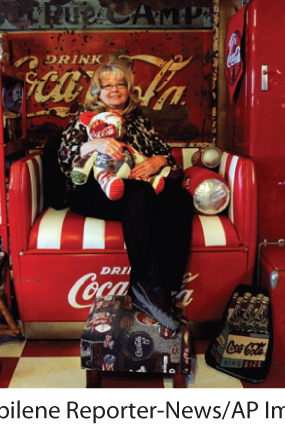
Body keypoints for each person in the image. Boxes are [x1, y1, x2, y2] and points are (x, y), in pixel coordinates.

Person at [58, 58, 194, 331]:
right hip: (93, 190)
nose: (114, 90)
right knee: (142, 195)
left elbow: (167, 156)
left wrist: (157, 162)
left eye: (120, 84)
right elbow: (65, 159)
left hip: (137, 185)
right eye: (107, 85)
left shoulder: (140, 121)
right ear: (97, 92)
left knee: (179, 199)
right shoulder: (85, 121)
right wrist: (94, 143)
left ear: (129, 89)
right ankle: (144, 286)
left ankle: (163, 288)